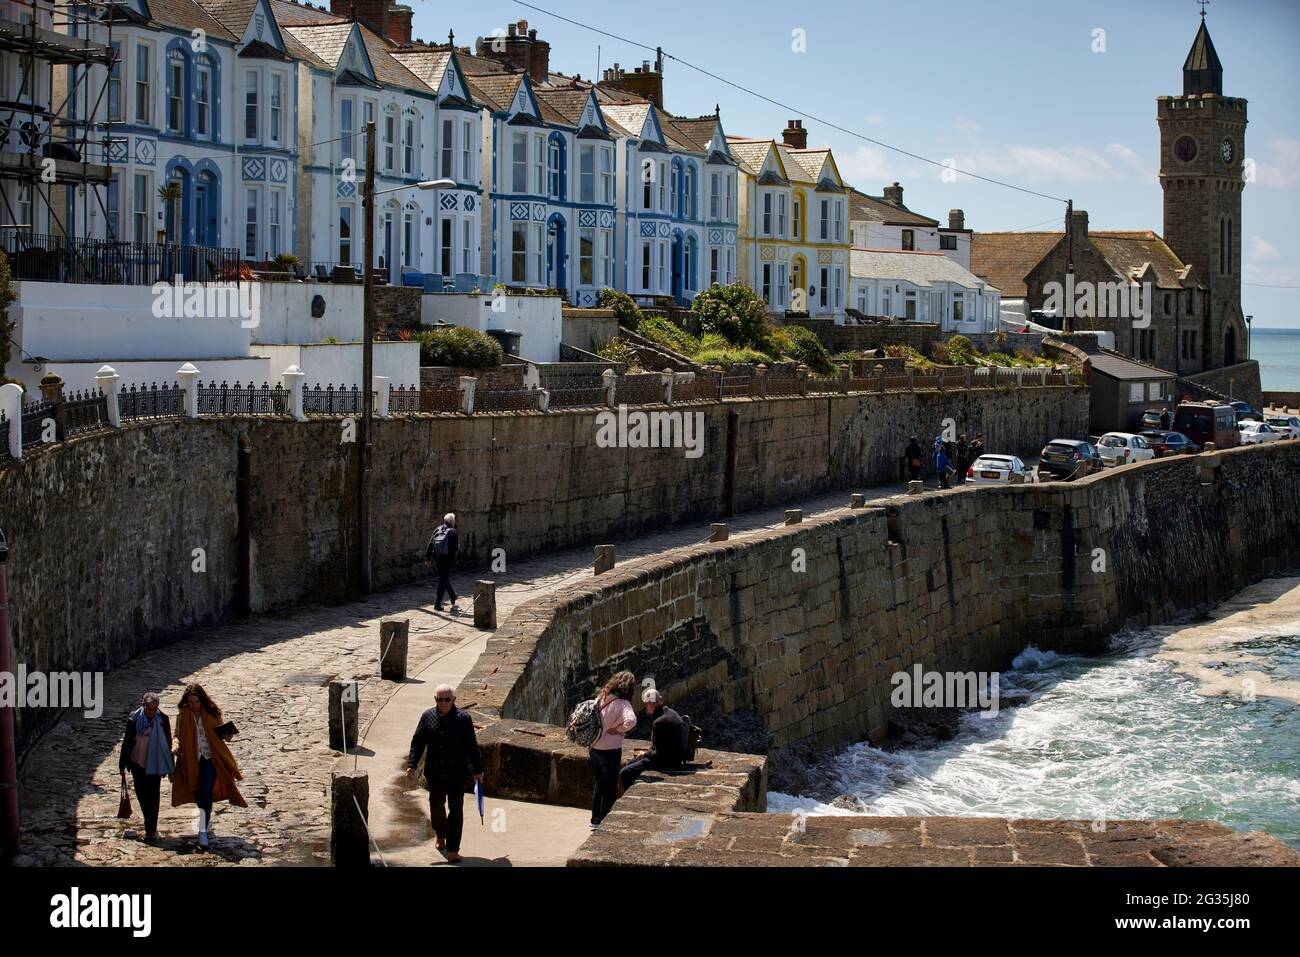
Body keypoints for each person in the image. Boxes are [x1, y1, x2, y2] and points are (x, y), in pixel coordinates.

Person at [406, 683, 483, 863]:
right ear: (435, 700)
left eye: (447, 699)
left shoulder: (464, 719)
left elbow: (472, 746)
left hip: (457, 773)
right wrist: (412, 764)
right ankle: (440, 834)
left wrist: (478, 770)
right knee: (436, 806)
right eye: (439, 699)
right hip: (435, 772)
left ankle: (454, 848)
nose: (443, 703)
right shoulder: (427, 717)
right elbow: (417, 742)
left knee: (456, 810)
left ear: (454, 700)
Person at [171, 683, 246, 849]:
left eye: (196, 702)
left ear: (202, 701)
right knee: (198, 792)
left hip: (210, 759)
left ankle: (202, 829)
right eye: (191, 702)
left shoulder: (212, 714)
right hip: (191, 760)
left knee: (206, 790)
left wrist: (227, 736)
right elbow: (177, 735)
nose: (194, 706)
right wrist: (175, 744)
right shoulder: (183, 716)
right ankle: (205, 817)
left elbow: (222, 735)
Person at [584, 671, 637, 828]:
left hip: (594, 747)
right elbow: (632, 721)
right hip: (610, 749)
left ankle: (595, 820)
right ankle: (606, 819)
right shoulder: (623, 704)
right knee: (610, 785)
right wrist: (619, 729)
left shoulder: (602, 697)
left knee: (599, 783)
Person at [119, 692, 173, 843]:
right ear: (143, 706)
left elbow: (168, 743)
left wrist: (169, 765)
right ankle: (148, 820)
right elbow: (127, 741)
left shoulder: (162, 720)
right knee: (142, 795)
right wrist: (122, 764)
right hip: (138, 764)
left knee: (153, 797)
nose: (152, 712)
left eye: (154, 709)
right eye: (149, 709)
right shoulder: (134, 719)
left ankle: (150, 830)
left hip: (155, 763)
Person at [619, 689, 686, 791]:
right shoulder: (672, 713)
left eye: (645, 705)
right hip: (677, 758)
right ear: (661, 700)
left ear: (648, 704)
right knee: (630, 763)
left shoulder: (659, 722)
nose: (645, 707)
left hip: (668, 763)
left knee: (625, 772)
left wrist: (644, 754)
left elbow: (659, 754)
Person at [425, 512, 459, 611]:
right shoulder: (453, 532)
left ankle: (452, 595)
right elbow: (454, 549)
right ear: (452, 521)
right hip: (447, 559)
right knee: (442, 580)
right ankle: (437, 603)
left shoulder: (438, 529)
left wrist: (428, 558)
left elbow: (431, 543)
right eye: (454, 521)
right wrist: (454, 561)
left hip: (438, 557)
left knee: (444, 577)